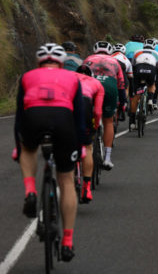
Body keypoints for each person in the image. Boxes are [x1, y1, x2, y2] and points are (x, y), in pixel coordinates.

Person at [14, 43, 86, 261]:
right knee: (66, 178)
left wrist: (19, 145)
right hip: (63, 119)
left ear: (39, 62)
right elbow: (79, 118)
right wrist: (80, 145)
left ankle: (30, 191)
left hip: (34, 117)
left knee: (27, 149)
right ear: (61, 62)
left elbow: (19, 116)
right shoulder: (73, 78)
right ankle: (67, 241)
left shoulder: (27, 77)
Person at [83, 41, 126, 170]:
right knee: (108, 121)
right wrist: (122, 103)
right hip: (110, 86)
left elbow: (79, 78)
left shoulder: (88, 59)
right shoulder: (115, 62)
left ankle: (84, 149)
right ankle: (107, 158)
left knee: (85, 117)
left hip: (92, 85)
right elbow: (121, 85)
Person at [74, 65, 104, 204]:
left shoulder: (70, 78)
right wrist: (95, 126)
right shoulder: (96, 83)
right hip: (85, 105)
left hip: (68, 106)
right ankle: (86, 187)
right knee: (87, 147)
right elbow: (97, 112)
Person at [129, 43, 158, 129]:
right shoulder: (157, 54)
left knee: (136, 95)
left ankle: (132, 121)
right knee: (152, 84)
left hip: (139, 69)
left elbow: (133, 65)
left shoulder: (137, 52)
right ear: (153, 48)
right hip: (151, 69)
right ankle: (150, 99)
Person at [111, 43, 133, 118]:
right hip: (122, 72)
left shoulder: (109, 56)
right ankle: (125, 102)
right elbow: (130, 76)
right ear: (124, 52)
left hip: (110, 72)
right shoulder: (126, 59)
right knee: (127, 85)